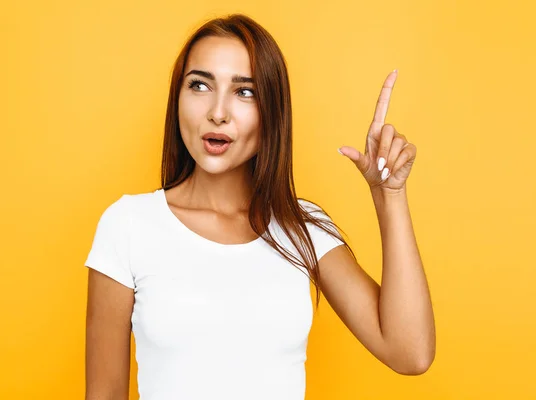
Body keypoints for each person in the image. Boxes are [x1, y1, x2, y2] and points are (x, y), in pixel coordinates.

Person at [84, 13, 435, 400]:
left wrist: (390, 194)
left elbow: (410, 353)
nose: (218, 112)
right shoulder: (129, 225)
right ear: (177, 99)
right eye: (199, 85)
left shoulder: (303, 227)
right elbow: (104, 393)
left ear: (272, 111)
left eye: (244, 91)